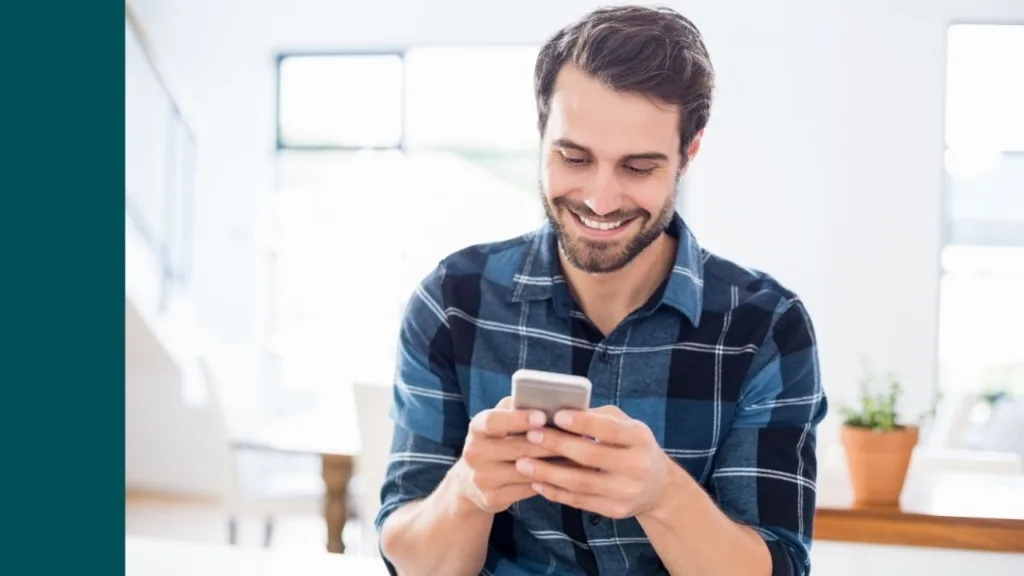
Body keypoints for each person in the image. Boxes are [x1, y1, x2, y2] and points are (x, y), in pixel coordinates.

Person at [375, 5, 828, 575]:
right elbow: (411, 559)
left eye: (638, 168)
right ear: (541, 135)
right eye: (574, 157)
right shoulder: (452, 301)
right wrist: (468, 490)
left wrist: (664, 496)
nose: (601, 199)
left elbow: (778, 567)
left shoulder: (765, 326)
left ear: (689, 153)